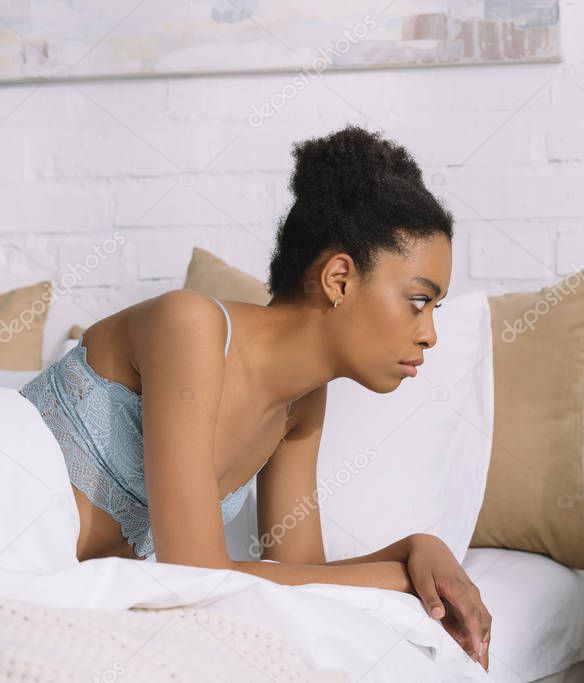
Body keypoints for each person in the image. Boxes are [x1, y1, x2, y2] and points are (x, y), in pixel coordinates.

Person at [17, 124, 491, 669]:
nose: (431, 333)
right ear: (339, 279)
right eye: (417, 300)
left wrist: (415, 548)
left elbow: (301, 577)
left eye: (436, 308)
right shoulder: (190, 326)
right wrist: (399, 573)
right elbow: (194, 576)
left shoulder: (302, 407)